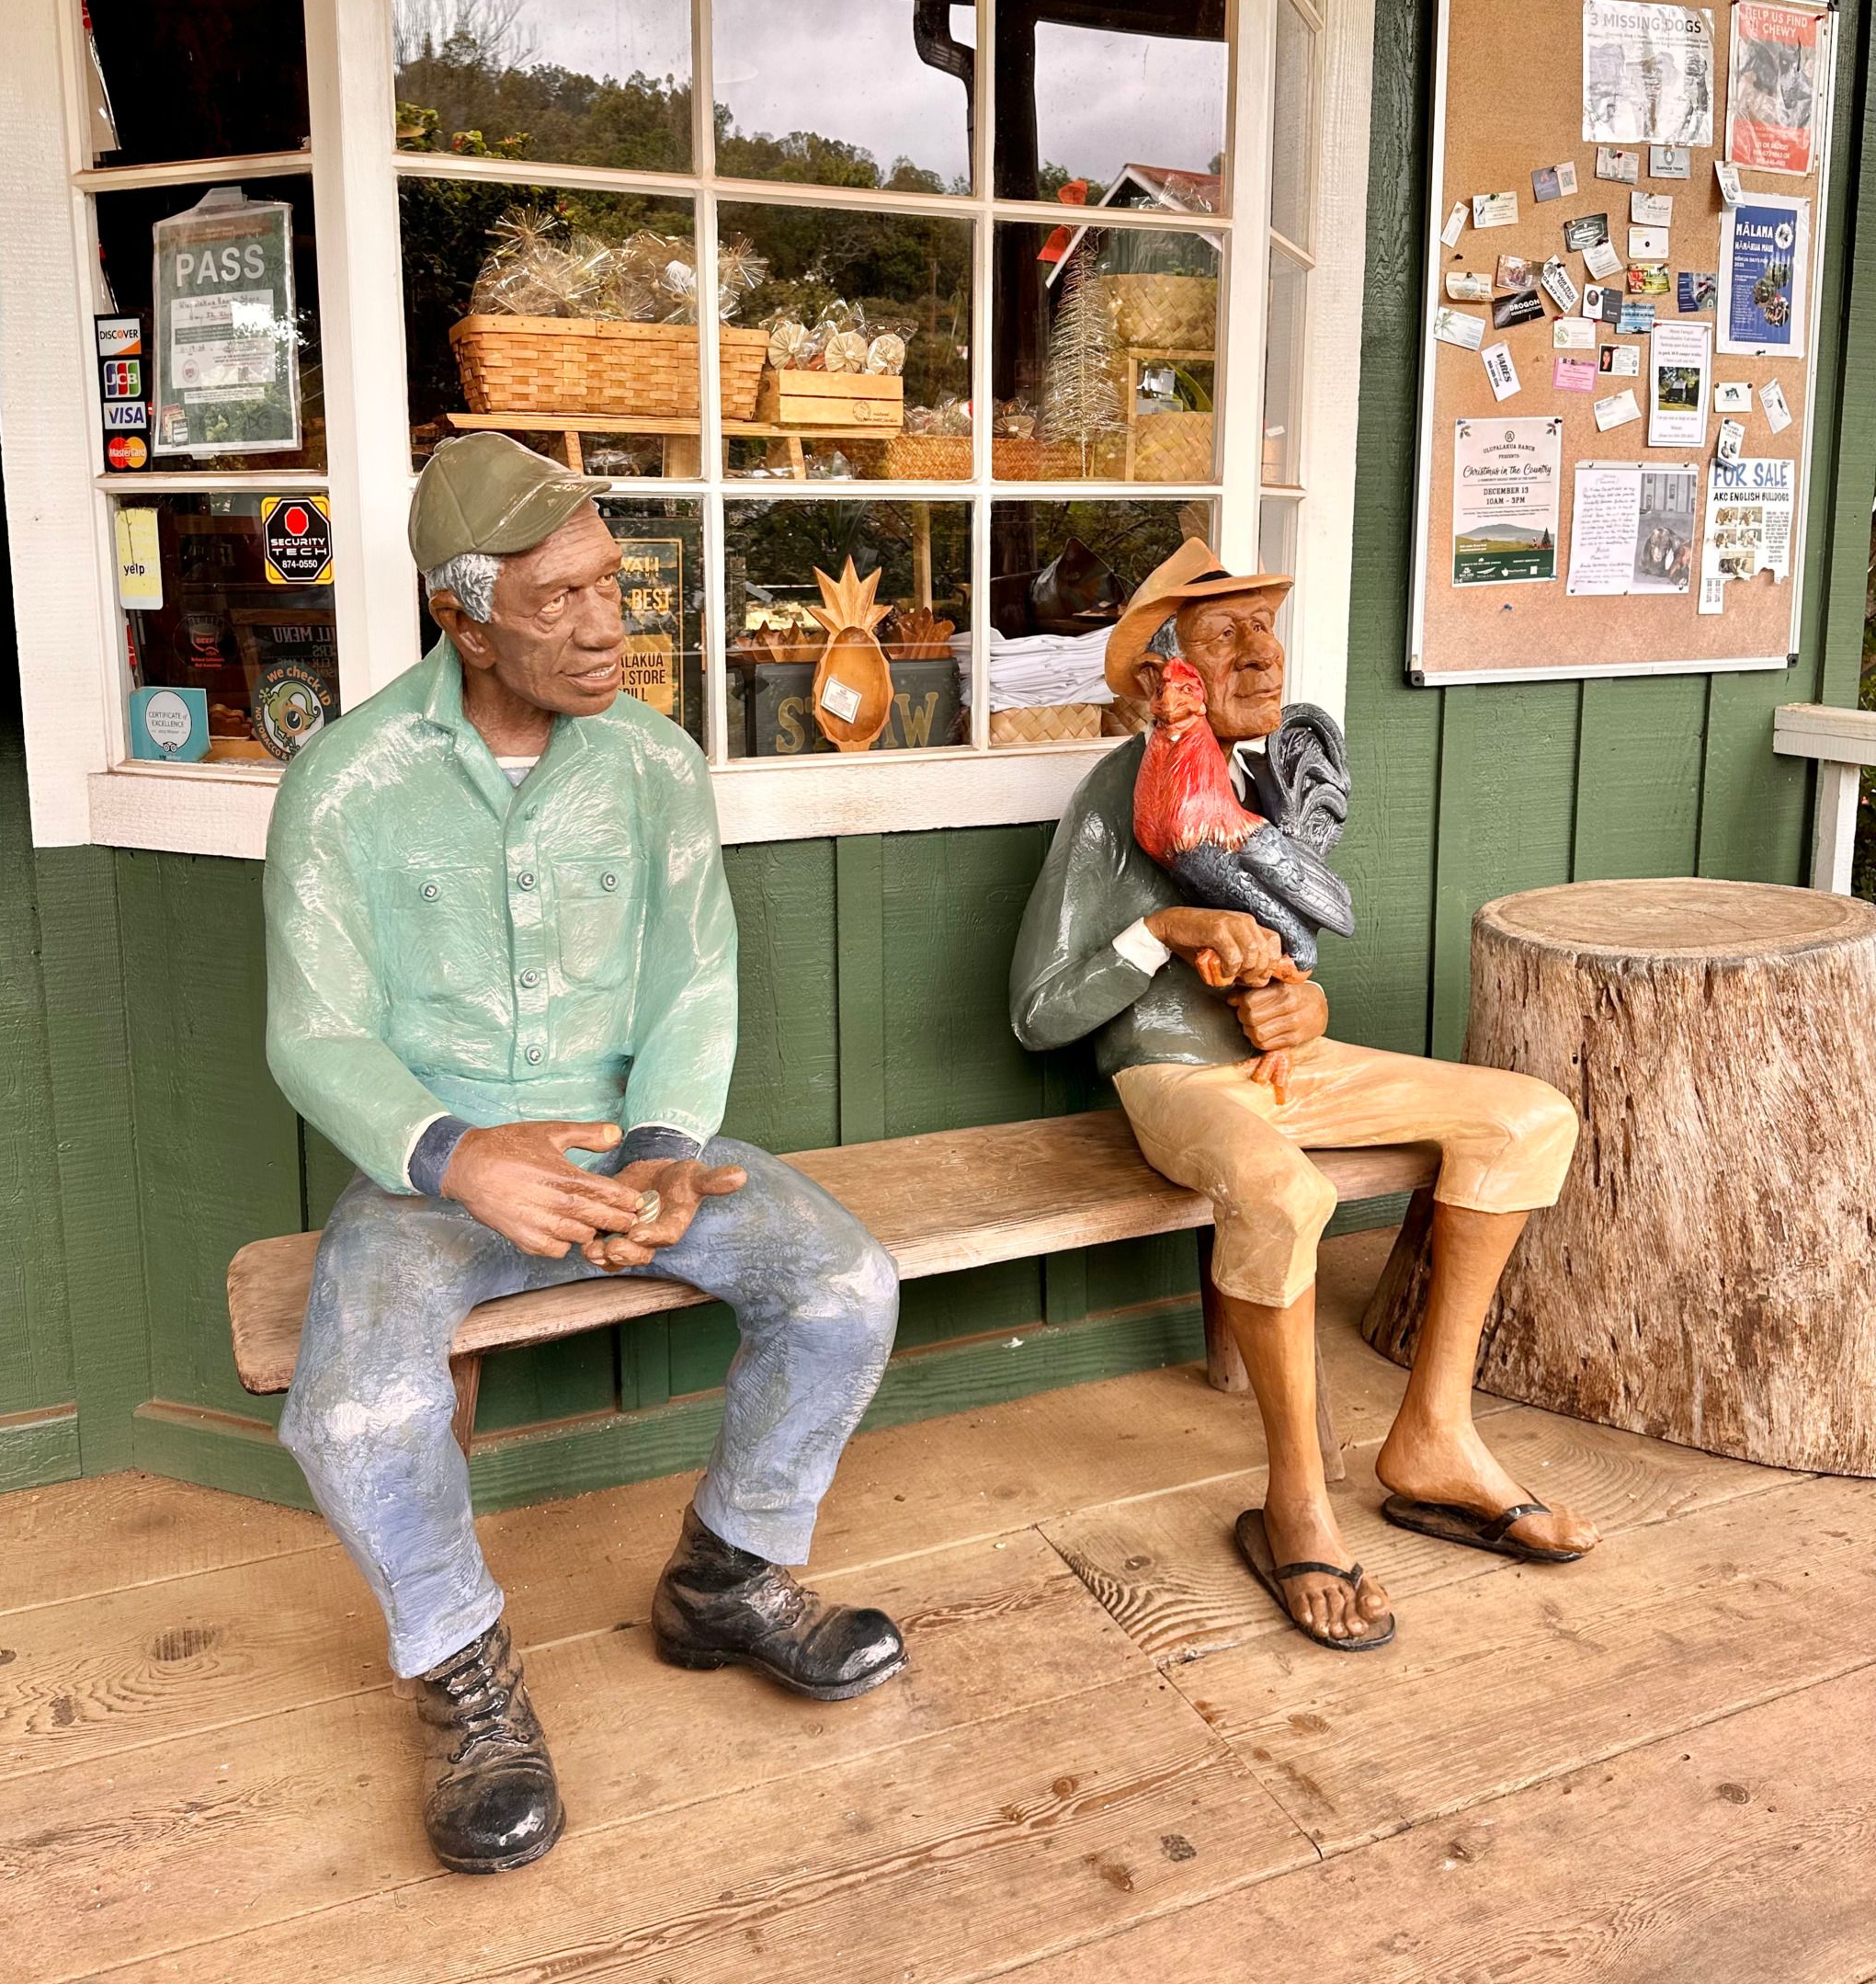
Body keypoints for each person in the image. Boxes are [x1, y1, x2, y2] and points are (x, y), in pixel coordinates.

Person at [265, 434, 905, 1874]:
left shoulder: (654, 762)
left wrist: (674, 1145)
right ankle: (461, 1670)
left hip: (635, 1151)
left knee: (845, 1281)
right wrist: (453, 1153)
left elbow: (695, 979)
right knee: (357, 1411)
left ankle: (727, 1576)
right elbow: (315, 1032)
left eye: (613, 583)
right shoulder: (348, 782)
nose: (607, 623)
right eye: (556, 599)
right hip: (429, 1184)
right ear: (463, 614)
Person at [1010, 538, 1597, 1653]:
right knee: (1281, 1194)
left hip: (1286, 1074)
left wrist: (1301, 1009)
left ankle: (1434, 1434)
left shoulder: (1260, 782)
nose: (1260, 652)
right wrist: (1158, 930)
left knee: (1526, 1114)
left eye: (1264, 627)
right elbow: (1038, 1008)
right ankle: (1295, 1498)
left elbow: (1292, 968)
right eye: (1224, 633)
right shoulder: (1109, 795)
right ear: (1163, 672)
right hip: (1172, 1077)